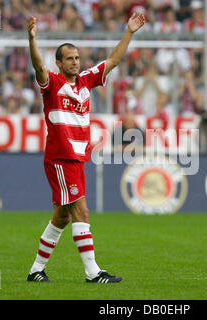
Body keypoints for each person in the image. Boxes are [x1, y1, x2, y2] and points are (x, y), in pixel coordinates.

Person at [26, 13, 145, 283]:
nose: (75, 62)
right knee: (82, 212)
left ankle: (36, 270)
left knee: (61, 218)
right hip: (60, 157)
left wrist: (129, 32)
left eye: (77, 58)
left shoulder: (86, 82)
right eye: (70, 59)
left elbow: (113, 60)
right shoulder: (52, 85)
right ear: (59, 63)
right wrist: (32, 39)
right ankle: (93, 273)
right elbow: (38, 67)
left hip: (77, 158)